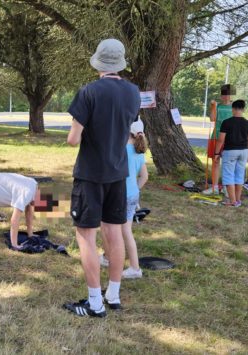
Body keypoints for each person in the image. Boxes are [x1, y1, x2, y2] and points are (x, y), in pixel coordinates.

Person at [63, 38, 140, 317]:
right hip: (118, 173)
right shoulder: (133, 93)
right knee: (115, 233)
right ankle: (114, 295)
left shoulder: (88, 92)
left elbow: (73, 140)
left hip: (90, 175)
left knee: (86, 236)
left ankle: (95, 303)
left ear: (98, 63)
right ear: (119, 64)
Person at [99, 119, 148, 279]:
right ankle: (134, 267)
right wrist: (134, 190)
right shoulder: (139, 151)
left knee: (107, 227)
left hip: (119, 195)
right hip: (132, 195)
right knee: (126, 230)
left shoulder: (120, 150)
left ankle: (108, 258)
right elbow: (144, 177)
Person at [214, 100, 248, 207]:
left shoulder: (226, 122)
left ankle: (232, 201)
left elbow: (221, 140)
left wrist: (216, 153)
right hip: (244, 151)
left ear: (233, 109)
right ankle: (237, 200)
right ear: (243, 109)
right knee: (239, 176)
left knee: (228, 175)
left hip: (230, 151)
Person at [204, 84, 235, 196]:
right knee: (215, 162)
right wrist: (213, 107)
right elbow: (212, 119)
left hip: (229, 139)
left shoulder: (234, 107)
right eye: (224, 94)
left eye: (228, 94)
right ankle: (215, 187)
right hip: (216, 137)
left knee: (228, 164)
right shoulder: (217, 106)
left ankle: (227, 188)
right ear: (221, 95)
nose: (226, 96)